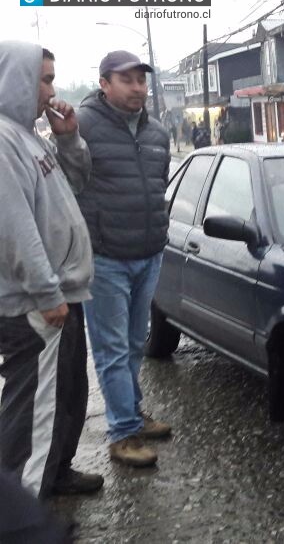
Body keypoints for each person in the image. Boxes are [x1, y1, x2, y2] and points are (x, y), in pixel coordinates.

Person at [0, 42, 103, 497]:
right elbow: (12, 227)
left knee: (67, 393)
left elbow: (77, 181)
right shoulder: (2, 141)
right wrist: (46, 293)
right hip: (37, 303)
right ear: (15, 80)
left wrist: (67, 137)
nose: (52, 90)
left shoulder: (28, 136)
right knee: (34, 415)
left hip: (61, 294)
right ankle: (21, 513)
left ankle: (55, 472)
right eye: (44, 79)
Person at [76, 50, 173, 468]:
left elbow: (158, 187)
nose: (137, 88)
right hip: (106, 259)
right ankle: (122, 433)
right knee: (112, 350)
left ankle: (131, 412)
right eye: (127, 80)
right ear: (104, 83)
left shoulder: (156, 132)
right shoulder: (81, 127)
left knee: (135, 344)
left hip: (148, 254)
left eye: (141, 80)